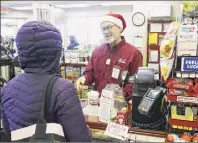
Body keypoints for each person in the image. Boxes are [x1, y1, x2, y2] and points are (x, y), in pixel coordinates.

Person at [1, 21, 92, 142]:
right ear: (56, 52)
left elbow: (8, 131)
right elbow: (81, 140)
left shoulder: (8, 87)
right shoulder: (62, 88)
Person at [76, 13, 143, 101]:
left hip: (120, 105)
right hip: (98, 102)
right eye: (103, 29)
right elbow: (90, 73)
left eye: (109, 27)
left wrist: (121, 95)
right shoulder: (97, 51)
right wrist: (84, 78)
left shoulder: (134, 53)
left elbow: (136, 82)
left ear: (119, 28)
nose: (105, 32)